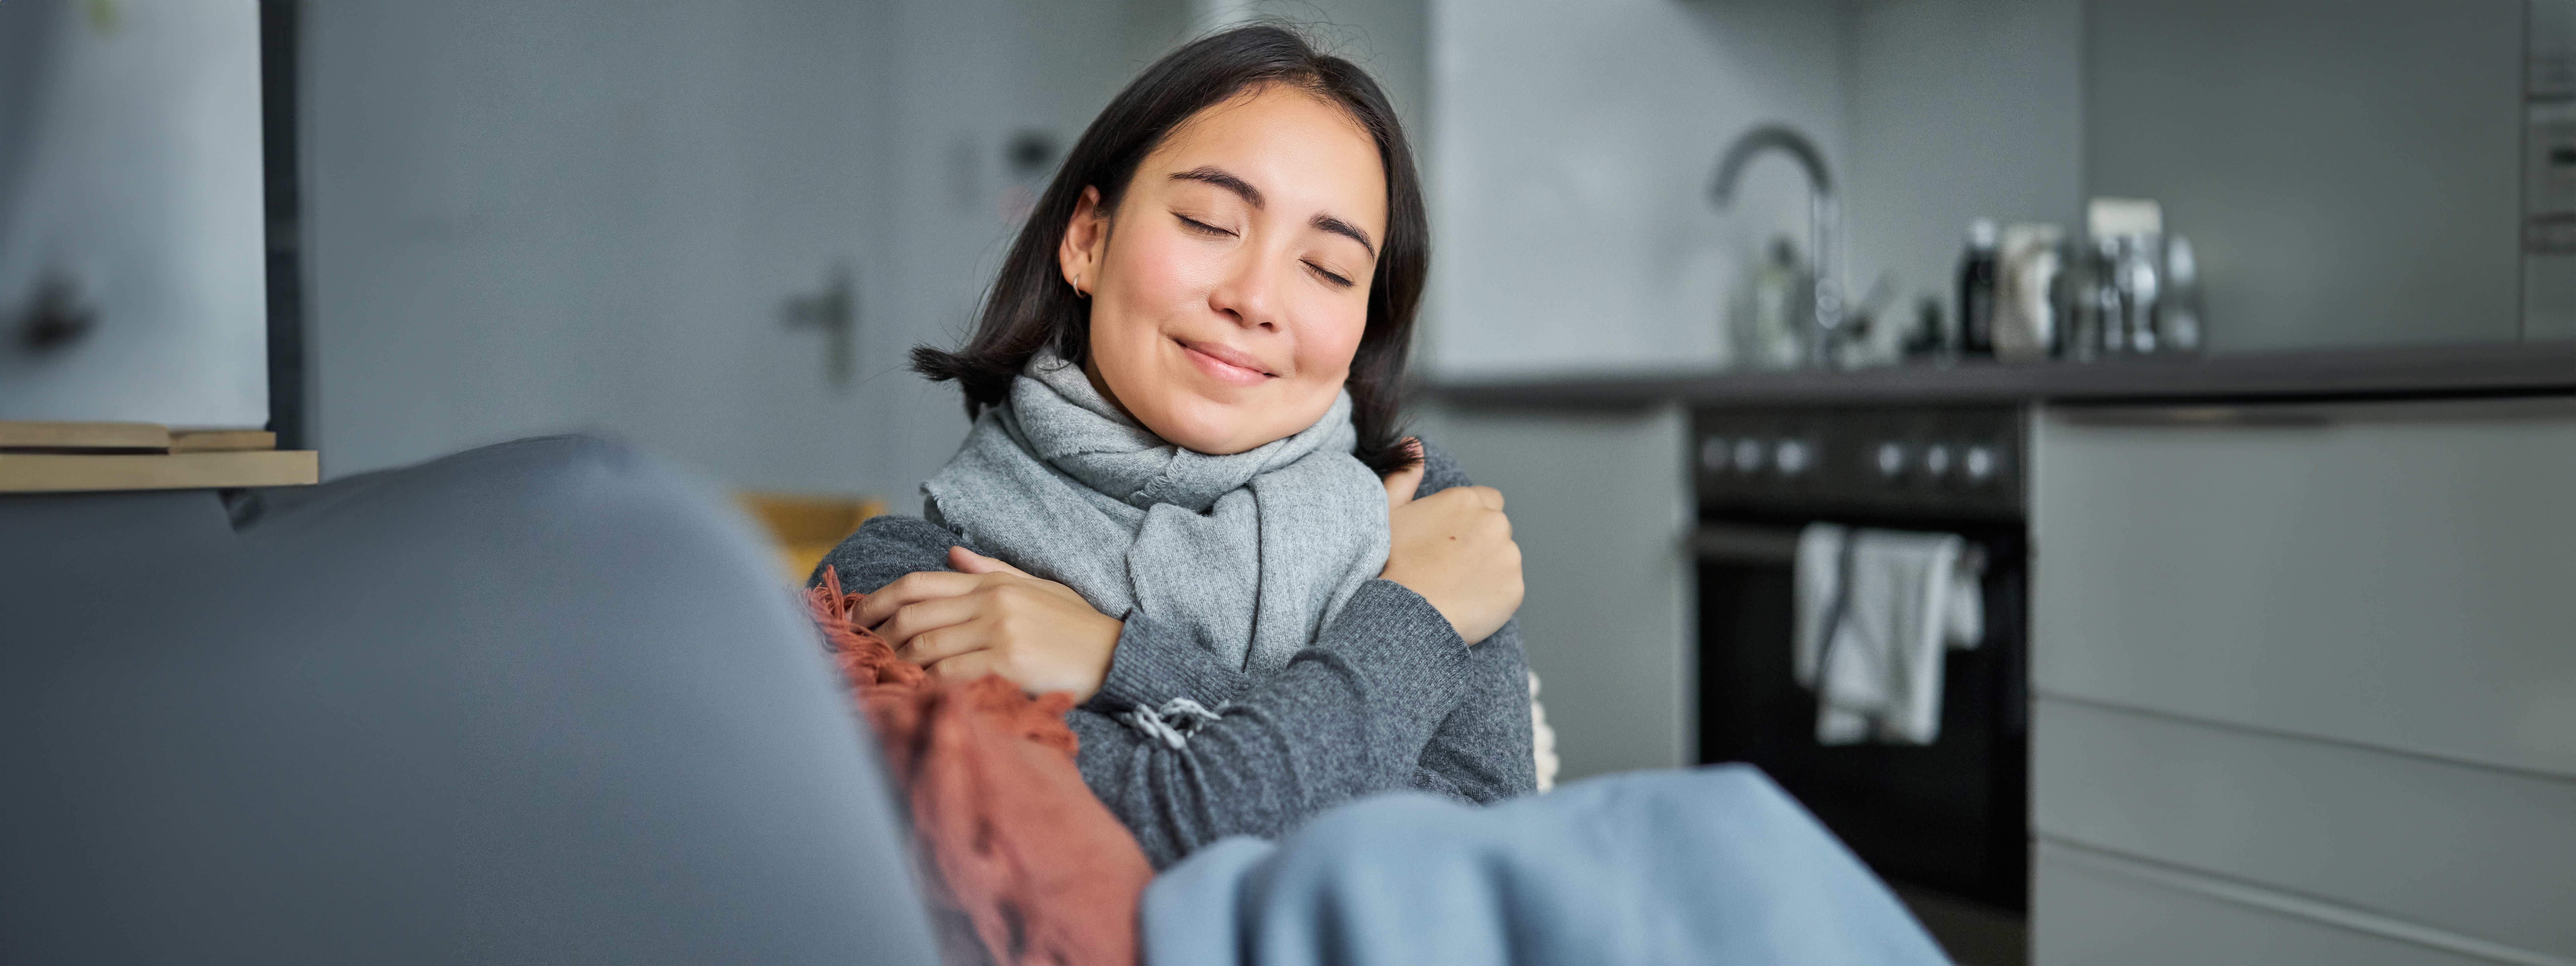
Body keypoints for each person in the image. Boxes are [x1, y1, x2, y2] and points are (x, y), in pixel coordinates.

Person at [813, 25, 1534, 868]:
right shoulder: (913, 582)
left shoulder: (1419, 508)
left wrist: (1112, 659)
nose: (1257, 299)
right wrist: (1414, 620)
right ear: (1087, 240)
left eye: (1330, 270)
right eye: (1208, 222)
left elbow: (1488, 858)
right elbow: (1189, 838)